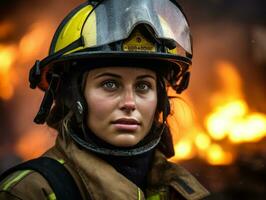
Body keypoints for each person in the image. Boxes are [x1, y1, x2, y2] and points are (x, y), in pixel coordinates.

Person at [0, 0, 210, 199]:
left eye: (143, 86)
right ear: (74, 98)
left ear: (160, 101)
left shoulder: (181, 191)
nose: (129, 103)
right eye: (110, 84)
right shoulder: (30, 192)